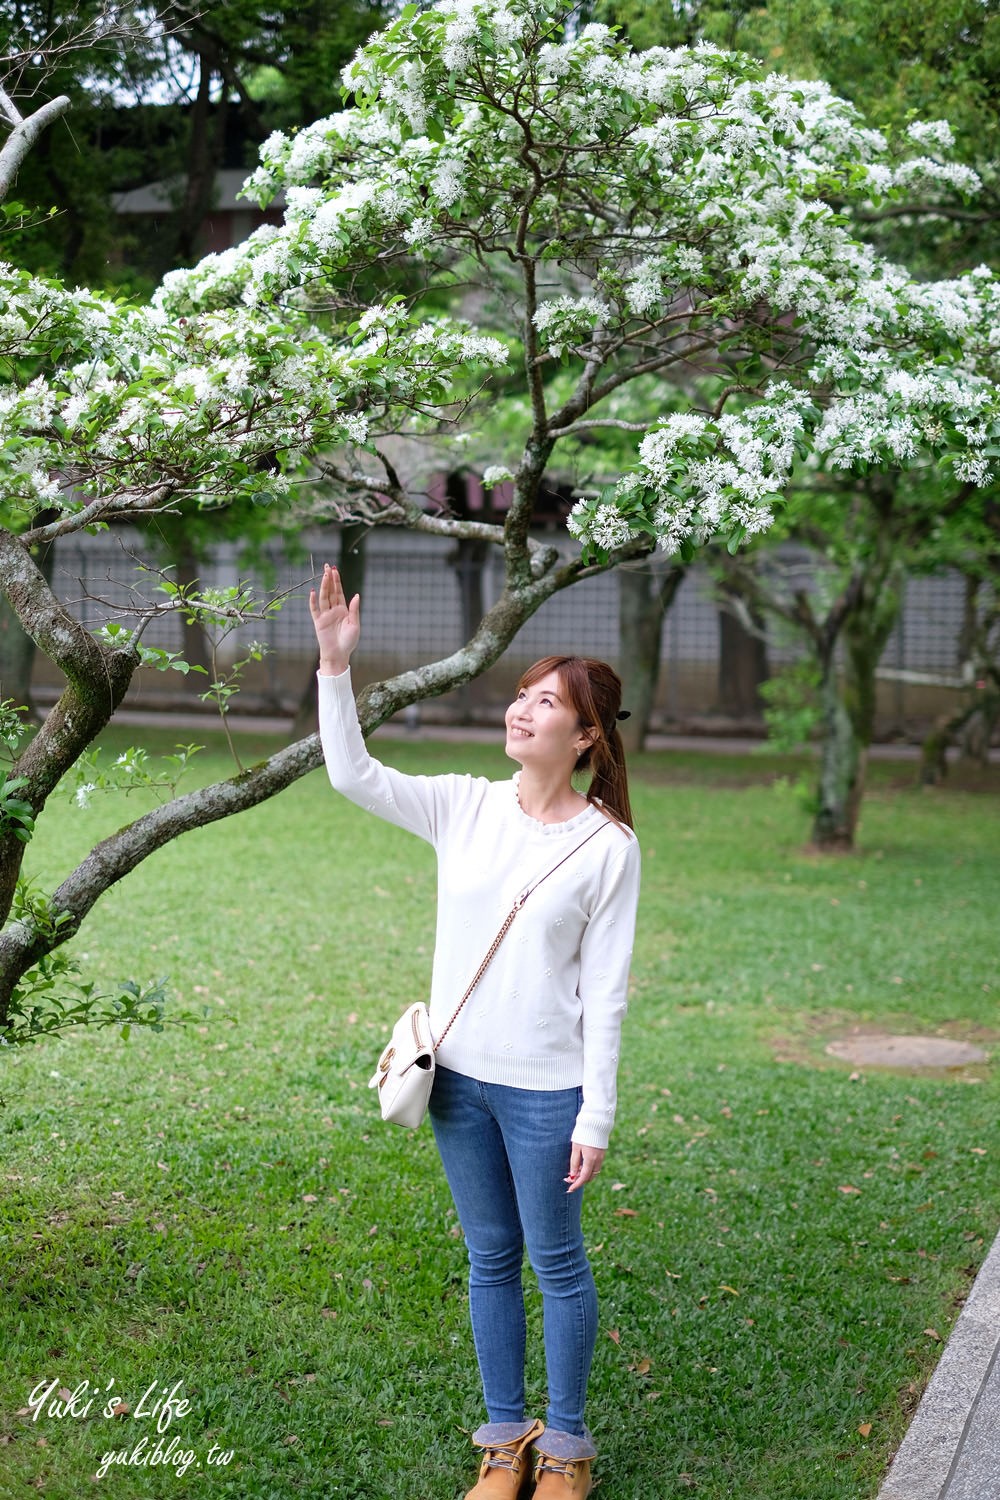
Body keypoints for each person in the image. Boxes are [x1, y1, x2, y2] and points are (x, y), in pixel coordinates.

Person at [309, 564, 641, 1500]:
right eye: (522, 696)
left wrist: (596, 1115)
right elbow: (351, 774)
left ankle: (567, 1449)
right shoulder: (464, 803)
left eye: (548, 705)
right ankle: (505, 1442)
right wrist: (336, 668)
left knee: (559, 1266)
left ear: (584, 737)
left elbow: (606, 993)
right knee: (489, 1257)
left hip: (547, 1092)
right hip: (456, 1078)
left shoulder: (608, 848)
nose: (523, 713)